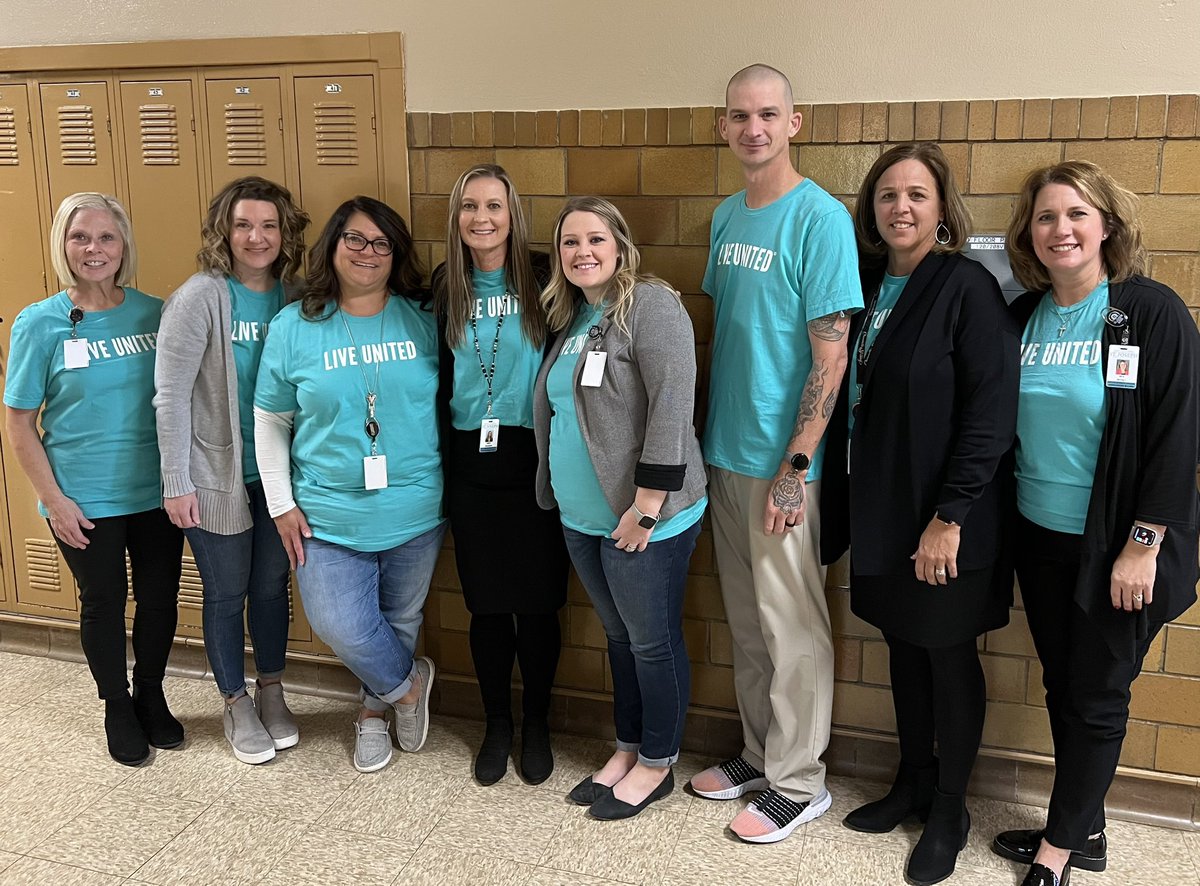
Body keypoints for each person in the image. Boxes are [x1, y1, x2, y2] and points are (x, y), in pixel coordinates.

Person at [992, 160, 1199, 886]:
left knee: (1098, 696)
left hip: (1117, 545)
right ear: (1029, 233)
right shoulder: (1022, 315)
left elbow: (1176, 438)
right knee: (1063, 685)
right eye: (1046, 216)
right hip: (1038, 534)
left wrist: (1143, 545)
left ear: (1106, 224)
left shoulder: (1148, 312)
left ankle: (1059, 851)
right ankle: (1087, 828)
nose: (1061, 229)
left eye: (1077, 213)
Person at [820, 143, 1019, 885]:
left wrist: (950, 516)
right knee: (903, 647)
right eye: (886, 195)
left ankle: (950, 809)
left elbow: (991, 415)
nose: (900, 207)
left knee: (946, 655)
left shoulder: (967, 288)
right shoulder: (869, 285)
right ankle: (911, 781)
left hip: (947, 518)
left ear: (942, 210)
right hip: (883, 508)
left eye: (916, 195)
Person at [688, 64, 863, 843]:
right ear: (722, 126)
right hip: (725, 454)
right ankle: (760, 755)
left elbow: (832, 355)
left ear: (795, 123)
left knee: (793, 628)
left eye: (767, 114)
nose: (752, 128)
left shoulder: (819, 219)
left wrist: (795, 468)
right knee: (748, 623)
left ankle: (800, 782)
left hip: (785, 465)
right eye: (739, 115)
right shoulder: (727, 216)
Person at [253, 196, 445, 773]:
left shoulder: (424, 317)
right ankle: (408, 689)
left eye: (382, 243)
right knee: (341, 624)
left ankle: (371, 713)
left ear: (397, 254)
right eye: (355, 239)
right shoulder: (294, 325)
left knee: (400, 619)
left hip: (415, 504)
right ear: (333, 245)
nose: (368, 252)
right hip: (326, 512)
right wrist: (280, 503)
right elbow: (271, 418)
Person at [534, 197, 707, 820]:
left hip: (643, 517)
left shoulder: (650, 305)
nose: (582, 252)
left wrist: (649, 505)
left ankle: (658, 762)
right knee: (619, 637)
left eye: (595, 239)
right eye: (570, 242)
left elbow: (672, 404)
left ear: (620, 246)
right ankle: (628, 747)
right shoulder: (573, 315)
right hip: (582, 517)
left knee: (651, 642)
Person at [4, 193, 184, 766]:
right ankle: (117, 705)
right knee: (103, 601)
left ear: (123, 244)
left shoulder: (156, 314)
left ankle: (151, 693)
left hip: (155, 492)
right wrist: (53, 500)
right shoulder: (40, 323)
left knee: (159, 597)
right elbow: (19, 423)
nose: (94, 249)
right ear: (63, 244)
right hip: (83, 498)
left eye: (107, 236)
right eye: (80, 236)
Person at [154, 176, 310, 765]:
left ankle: (272, 690)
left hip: (277, 476)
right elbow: (170, 396)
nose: (256, 237)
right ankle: (234, 701)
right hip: (214, 475)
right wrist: (176, 482)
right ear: (224, 231)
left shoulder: (296, 297)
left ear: (285, 233)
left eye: (269, 225)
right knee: (225, 592)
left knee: (271, 587)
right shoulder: (200, 297)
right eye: (243, 225)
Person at [431, 164, 569, 786]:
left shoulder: (545, 278)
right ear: (456, 217)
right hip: (470, 462)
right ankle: (497, 724)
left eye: (494, 206)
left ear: (513, 214)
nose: (481, 218)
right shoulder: (447, 284)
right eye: (469, 206)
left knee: (537, 605)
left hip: (536, 458)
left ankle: (536, 722)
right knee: (486, 606)